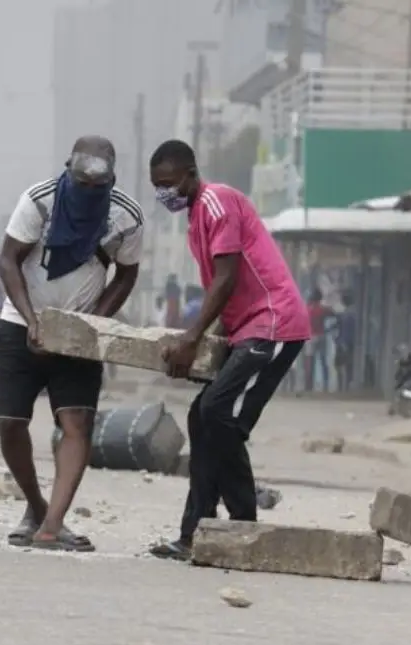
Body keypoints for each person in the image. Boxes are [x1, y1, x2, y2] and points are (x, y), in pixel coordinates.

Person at [147, 138, 310, 561]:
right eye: (156, 186)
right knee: (203, 417)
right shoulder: (197, 217)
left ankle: (240, 525)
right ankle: (195, 531)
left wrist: (190, 338)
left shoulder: (216, 203)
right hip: (248, 329)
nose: (163, 193)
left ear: (189, 173)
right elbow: (223, 295)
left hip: (274, 323)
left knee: (219, 413)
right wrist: (202, 346)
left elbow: (226, 281)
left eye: (167, 183)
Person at [0, 135, 143, 552]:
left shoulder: (126, 217)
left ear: (112, 180)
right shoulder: (39, 202)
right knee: (10, 423)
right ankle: (37, 506)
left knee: (76, 424)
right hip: (19, 322)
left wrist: (93, 322)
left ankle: (51, 526)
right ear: (68, 171)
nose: (91, 193)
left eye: (101, 186)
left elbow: (127, 275)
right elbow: (8, 259)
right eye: (83, 184)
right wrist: (31, 320)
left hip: (78, 333)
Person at [304, 288, 333, 392]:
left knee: (309, 362)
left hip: (310, 336)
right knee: (323, 360)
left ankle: (308, 385)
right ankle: (326, 384)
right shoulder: (323, 309)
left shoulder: (307, 309)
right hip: (321, 335)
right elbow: (332, 313)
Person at [335, 291, 358, 392]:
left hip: (345, 342)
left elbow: (345, 329)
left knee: (342, 364)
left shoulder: (348, 314)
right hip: (346, 342)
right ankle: (345, 385)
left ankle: (344, 386)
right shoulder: (351, 313)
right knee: (346, 365)